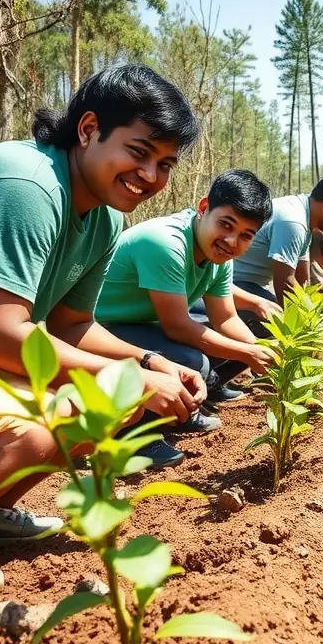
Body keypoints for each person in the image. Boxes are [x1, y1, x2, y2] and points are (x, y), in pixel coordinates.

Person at [0, 64, 206, 603]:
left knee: (110, 403)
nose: (150, 175)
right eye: (139, 151)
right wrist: (127, 374)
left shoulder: (103, 216)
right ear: (87, 130)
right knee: (39, 426)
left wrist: (149, 363)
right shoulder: (28, 186)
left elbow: (73, 325)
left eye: (165, 164)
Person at [94, 169, 275, 461]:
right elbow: (178, 327)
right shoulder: (165, 243)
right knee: (191, 360)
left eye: (245, 235)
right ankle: (133, 437)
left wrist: (262, 350)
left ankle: (180, 410)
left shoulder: (219, 257)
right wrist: (248, 353)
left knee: (233, 341)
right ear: (204, 208)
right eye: (226, 225)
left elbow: (226, 319)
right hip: (98, 328)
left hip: (142, 325)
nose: (231, 241)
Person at [232, 175, 323, 322]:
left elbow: (303, 281)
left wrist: (316, 307)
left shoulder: (305, 218)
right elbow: (284, 282)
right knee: (274, 322)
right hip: (237, 285)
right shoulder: (293, 222)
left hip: (255, 286)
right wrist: (309, 321)